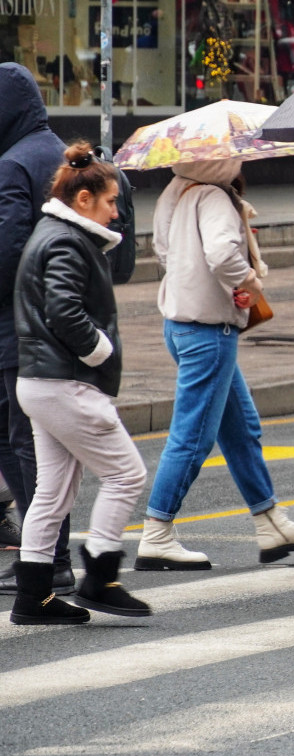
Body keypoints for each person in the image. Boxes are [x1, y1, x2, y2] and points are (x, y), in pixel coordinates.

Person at [139, 159, 294, 570]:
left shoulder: (174, 191)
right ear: (220, 162)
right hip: (208, 332)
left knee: (242, 429)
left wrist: (213, 283)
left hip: (182, 324)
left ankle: (270, 523)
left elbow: (164, 252)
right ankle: (156, 532)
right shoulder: (214, 196)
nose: (240, 162)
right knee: (193, 437)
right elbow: (222, 254)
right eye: (235, 157)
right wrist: (250, 282)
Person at [9, 142, 149, 625]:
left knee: (52, 493)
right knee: (126, 474)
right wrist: (101, 351)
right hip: (65, 381)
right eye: (111, 201)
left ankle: (33, 598)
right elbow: (63, 310)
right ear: (84, 199)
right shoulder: (67, 240)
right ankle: (100, 577)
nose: (117, 212)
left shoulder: (55, 233)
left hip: (43, 380)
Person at [0, 63, 75, 596]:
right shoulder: (74, 159)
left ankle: (46, 556)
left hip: (17, 327)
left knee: (20, 442)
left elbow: (6, 254)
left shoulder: (12, 166)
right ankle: (53, 554)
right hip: (68, 326)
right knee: (46, 443)